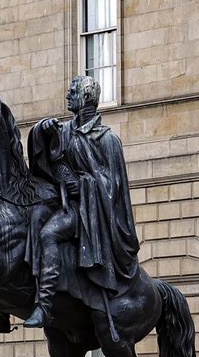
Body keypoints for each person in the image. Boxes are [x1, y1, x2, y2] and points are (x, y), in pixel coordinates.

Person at [23, 75, 139, 328]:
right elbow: (43, 153)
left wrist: (84, 185)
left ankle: (44, 305)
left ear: (85, 97)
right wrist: (42, 128)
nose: (67, 96)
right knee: (30, 217)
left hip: (88, 211)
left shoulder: (107, 139)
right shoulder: (64, 131)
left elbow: (114, 187)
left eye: (72, 91)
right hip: (64, 202)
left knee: (49, 235)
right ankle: (7, 304)